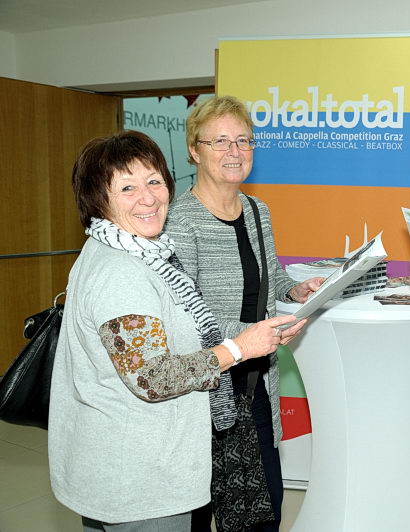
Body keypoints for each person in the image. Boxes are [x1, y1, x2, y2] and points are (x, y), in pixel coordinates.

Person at [48, 130, 303, 532]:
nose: (148, 198)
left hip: (129, 469)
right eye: (127, 188)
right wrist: (239, 348)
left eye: (154, 181)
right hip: (141, 481)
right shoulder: (122, 272)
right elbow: (153, 377)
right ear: (98, 199)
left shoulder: (136, 252)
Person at [165, 95, 324, 532]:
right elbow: (185, 315)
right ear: (194, 150)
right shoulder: (180, 221)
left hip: (256, 383)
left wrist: (294, 288)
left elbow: (269, 274)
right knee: (200, 511)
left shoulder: (257, 211)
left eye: (243, 140)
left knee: (264, 510)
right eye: (219, 141)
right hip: (205, 388)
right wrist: (254, 334)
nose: (234, 151)